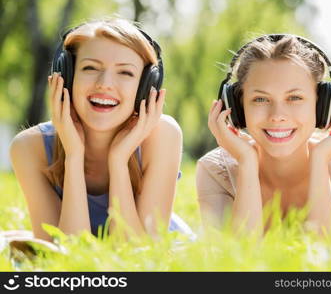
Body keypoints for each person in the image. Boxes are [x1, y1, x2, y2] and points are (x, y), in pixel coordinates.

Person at [9, 18, 193, 242]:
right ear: (66, 77)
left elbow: (138, 255)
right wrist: (74, 156)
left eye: (125, 73)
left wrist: (119, 161)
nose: (105, 83)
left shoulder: (162, 135)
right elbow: (63, 258)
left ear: (146, 87)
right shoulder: (29, 148)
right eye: (90, 68)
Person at [196, 34, 331, 237]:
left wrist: (320, 159)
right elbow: (236, 258)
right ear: (237, 108)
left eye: (294, 97)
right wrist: (247, 162)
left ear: (321, 107)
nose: (277, 116)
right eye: (260, 99)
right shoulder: (215, 170)